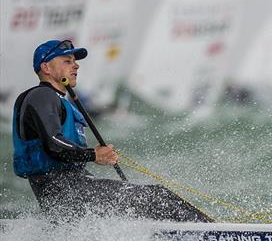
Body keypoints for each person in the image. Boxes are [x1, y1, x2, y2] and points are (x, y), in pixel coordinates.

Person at [11, 39, 212, 222]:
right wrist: (93, 154)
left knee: (144, 204)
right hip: (64, 190)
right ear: (46, 67)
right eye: (67, 61)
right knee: (158, 197)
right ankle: (215, 232)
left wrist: (93, 154)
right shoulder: (41, 95)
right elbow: (53, 144)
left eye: (74, 61)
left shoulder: (58, 100)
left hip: (72, 188)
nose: (76, 65)